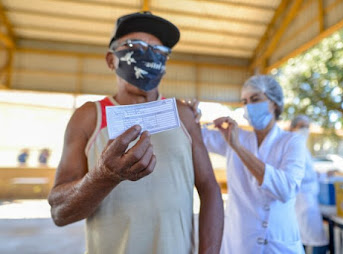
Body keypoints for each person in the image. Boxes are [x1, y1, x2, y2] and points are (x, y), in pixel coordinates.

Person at [48, 11, 223, 254]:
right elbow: (59, 212)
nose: (148, 54)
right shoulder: (89, 116)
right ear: (111, 60)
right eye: (134, 45)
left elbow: (210, 189)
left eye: (159, 51)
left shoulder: (181, 114)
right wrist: (104, 176)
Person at [192, 75, 306, 253]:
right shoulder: (236, 136)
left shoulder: (291, 142)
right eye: (245, 101)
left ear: (274, 103)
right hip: (240, 242)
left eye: (255, 99)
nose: (249, 106)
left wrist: (237, 147)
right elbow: (195, 136)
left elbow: (286, 189)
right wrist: (193, 119)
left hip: (278, 244)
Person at [290, 115, 328, 254]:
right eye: (301, 126)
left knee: (303, 238)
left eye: (307, 126)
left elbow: (307, 172)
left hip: (307, 198)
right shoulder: (293, 145)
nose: (305, 129)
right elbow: (298, 174)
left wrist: (321, 174)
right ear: (292, 128)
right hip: (303, 200)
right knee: (316, 239)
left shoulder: (302, 146)